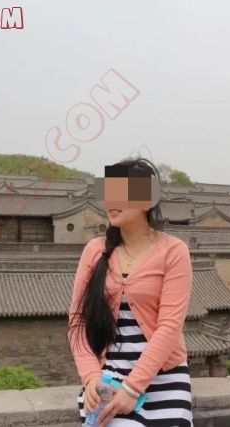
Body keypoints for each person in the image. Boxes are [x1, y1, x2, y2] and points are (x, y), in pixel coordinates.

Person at [68, 157, 193, 426]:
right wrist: (91, 378)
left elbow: (170, 327)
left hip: (164, 377)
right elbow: (77, 322)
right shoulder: (94, 251)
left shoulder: (174, 251)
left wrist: (133, 388)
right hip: (107, 378)